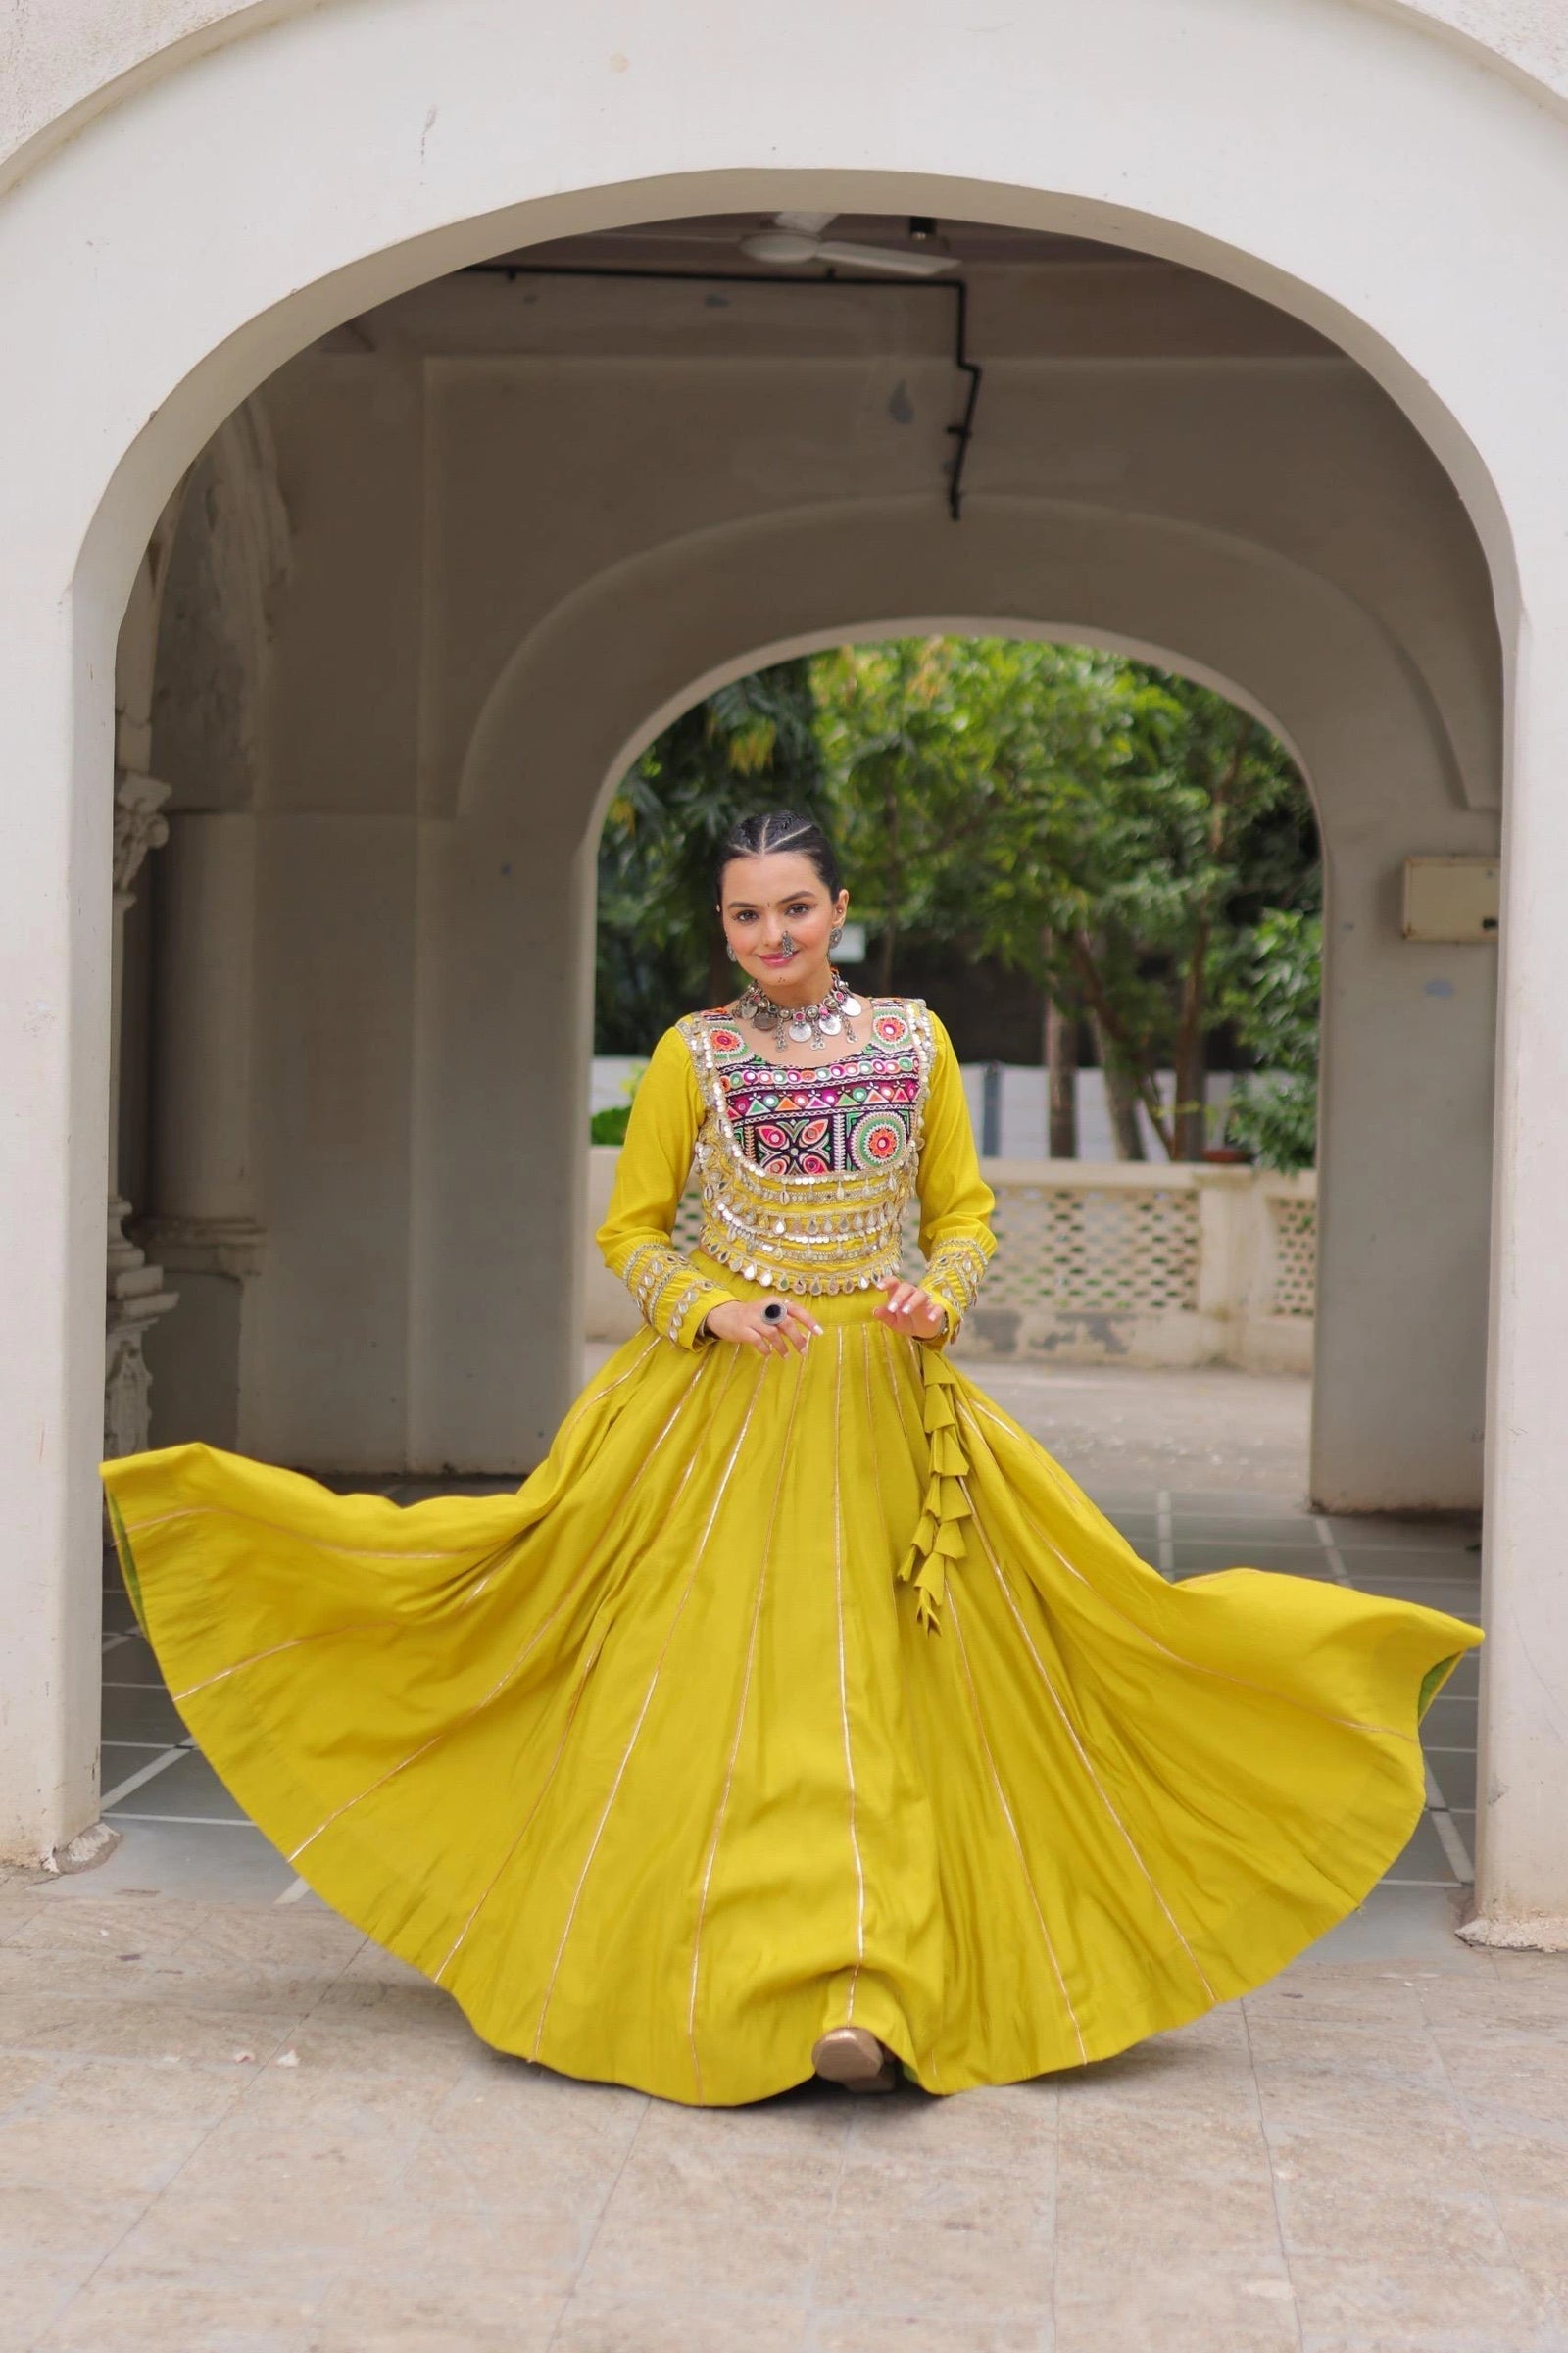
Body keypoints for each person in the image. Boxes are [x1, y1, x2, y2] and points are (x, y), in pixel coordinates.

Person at [102, 809, 1479, 2105]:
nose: (772, 935)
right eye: (746, 916)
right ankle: (744, 1973)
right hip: (720, 1413)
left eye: (796, 907)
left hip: (891, 1406)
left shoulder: (916, 1042)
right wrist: (716, 1304)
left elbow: (964, 1210)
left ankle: (875, 1988)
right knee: (713, 1689)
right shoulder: (691, 1056)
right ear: (723, 926)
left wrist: (943, 1290)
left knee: (914, 1684)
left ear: (841, 908)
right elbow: (635, 1232)